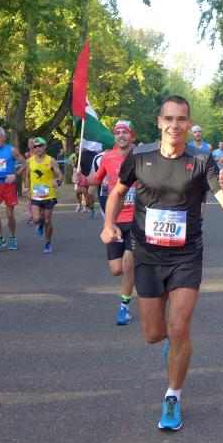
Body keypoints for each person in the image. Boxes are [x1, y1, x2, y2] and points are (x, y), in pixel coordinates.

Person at [102, 96, 223, 431]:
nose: (175, 125)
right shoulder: (140, 156)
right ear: (159, 122)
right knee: (153, 334)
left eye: (181, 119)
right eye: (169, 119)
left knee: (179, 327)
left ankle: (173, 395)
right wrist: (108, 224)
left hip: (186, 255)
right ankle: (172, 344)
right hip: (148, 256)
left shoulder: (202, 160)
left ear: (189, 123)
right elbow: (118, 192)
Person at [74, 120, 137, 325]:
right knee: (116, 269)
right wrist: (82, 180)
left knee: (128, 264)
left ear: (132, 136)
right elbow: (96, 179)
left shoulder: (142, 157)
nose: (121, 136)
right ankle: (137, 271)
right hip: (115, 221)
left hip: (137, 220)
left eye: (125, 132)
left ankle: (124, 307)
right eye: (117, 133)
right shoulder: (107, 157)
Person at [0, 127, 28, 252]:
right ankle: (0, 238)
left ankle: (12, 237)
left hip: (9, 185)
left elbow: (25, 163)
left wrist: (15, 175)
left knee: (9, 215)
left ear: (4, 137)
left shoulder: (12, 150)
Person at [24, 137, 63, 253]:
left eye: (39, 146)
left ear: (44, 146)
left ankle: (47, 243)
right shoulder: (29, 161)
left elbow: (60, 174)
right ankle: (39, 223)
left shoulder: (51, 160)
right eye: (35, 146)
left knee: (47, 221)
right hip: (35, 195)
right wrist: (27, 187)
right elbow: (27, 176)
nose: (37, 148)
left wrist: (58, 182)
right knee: (36, 219)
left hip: (49, 195)